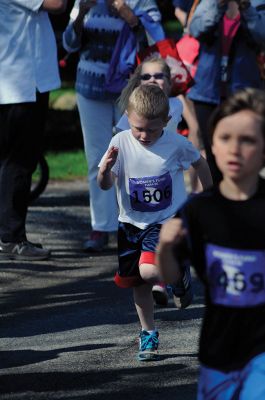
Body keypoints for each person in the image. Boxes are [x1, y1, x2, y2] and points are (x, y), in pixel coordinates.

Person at [157, 88, 265, 398]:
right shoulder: (199, 210)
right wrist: (165, 247)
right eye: (225, 138)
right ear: (212, 146)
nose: (235, 149)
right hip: (218, 348)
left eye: (248, 140)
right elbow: (170, 276)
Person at [98, 85, 212, 361]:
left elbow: (200, 162)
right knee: (139, 284)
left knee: (149, 272)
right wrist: (104, 169)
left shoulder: (175, 144)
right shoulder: (121, 142)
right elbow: (103, 186)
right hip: (129, 225)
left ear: (166, 122)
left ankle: (175, 269)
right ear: (128, 116)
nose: (144, 135)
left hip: (163, 221)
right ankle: (148, 333)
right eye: (138, 128)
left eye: (151, 129)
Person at [62, 0, 165, 252]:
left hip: (130, 92)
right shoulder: (85, 1)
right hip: (89, 88)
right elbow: (68, 43)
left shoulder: (141, 1)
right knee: (97, 158)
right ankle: (101, 227)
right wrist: (81, 13)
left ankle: (138, 225)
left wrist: (129, 16)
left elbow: (156, 40)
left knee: (135, 157)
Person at [117, 56, 202, 306]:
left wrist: (190, 158)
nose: (152, 80)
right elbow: (123, 139)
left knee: (162, 237)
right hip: (143, 187)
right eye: (146, 77)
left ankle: (162, 280)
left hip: (172, 174)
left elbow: (195, 131)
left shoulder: (177, 103)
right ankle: (175, 277)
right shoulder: (135, 113)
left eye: (158, 76)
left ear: (169, 80)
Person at [0, 0, 68, 261]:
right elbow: (57, 3)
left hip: (25, 81)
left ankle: (9, 233)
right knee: (18, 162)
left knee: (15, 161)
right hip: (20, 84)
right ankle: (11, 237)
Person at [187, 0, 265, 184]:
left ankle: (242, 199)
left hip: (243, 94)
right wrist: (218, 5)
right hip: (207, 93)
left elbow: (262, 36)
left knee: (244, 152)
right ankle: (218, 203)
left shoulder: (258, 3)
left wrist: (246, 8)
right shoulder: (209, 2)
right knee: (213, 154)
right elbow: (195, 29)